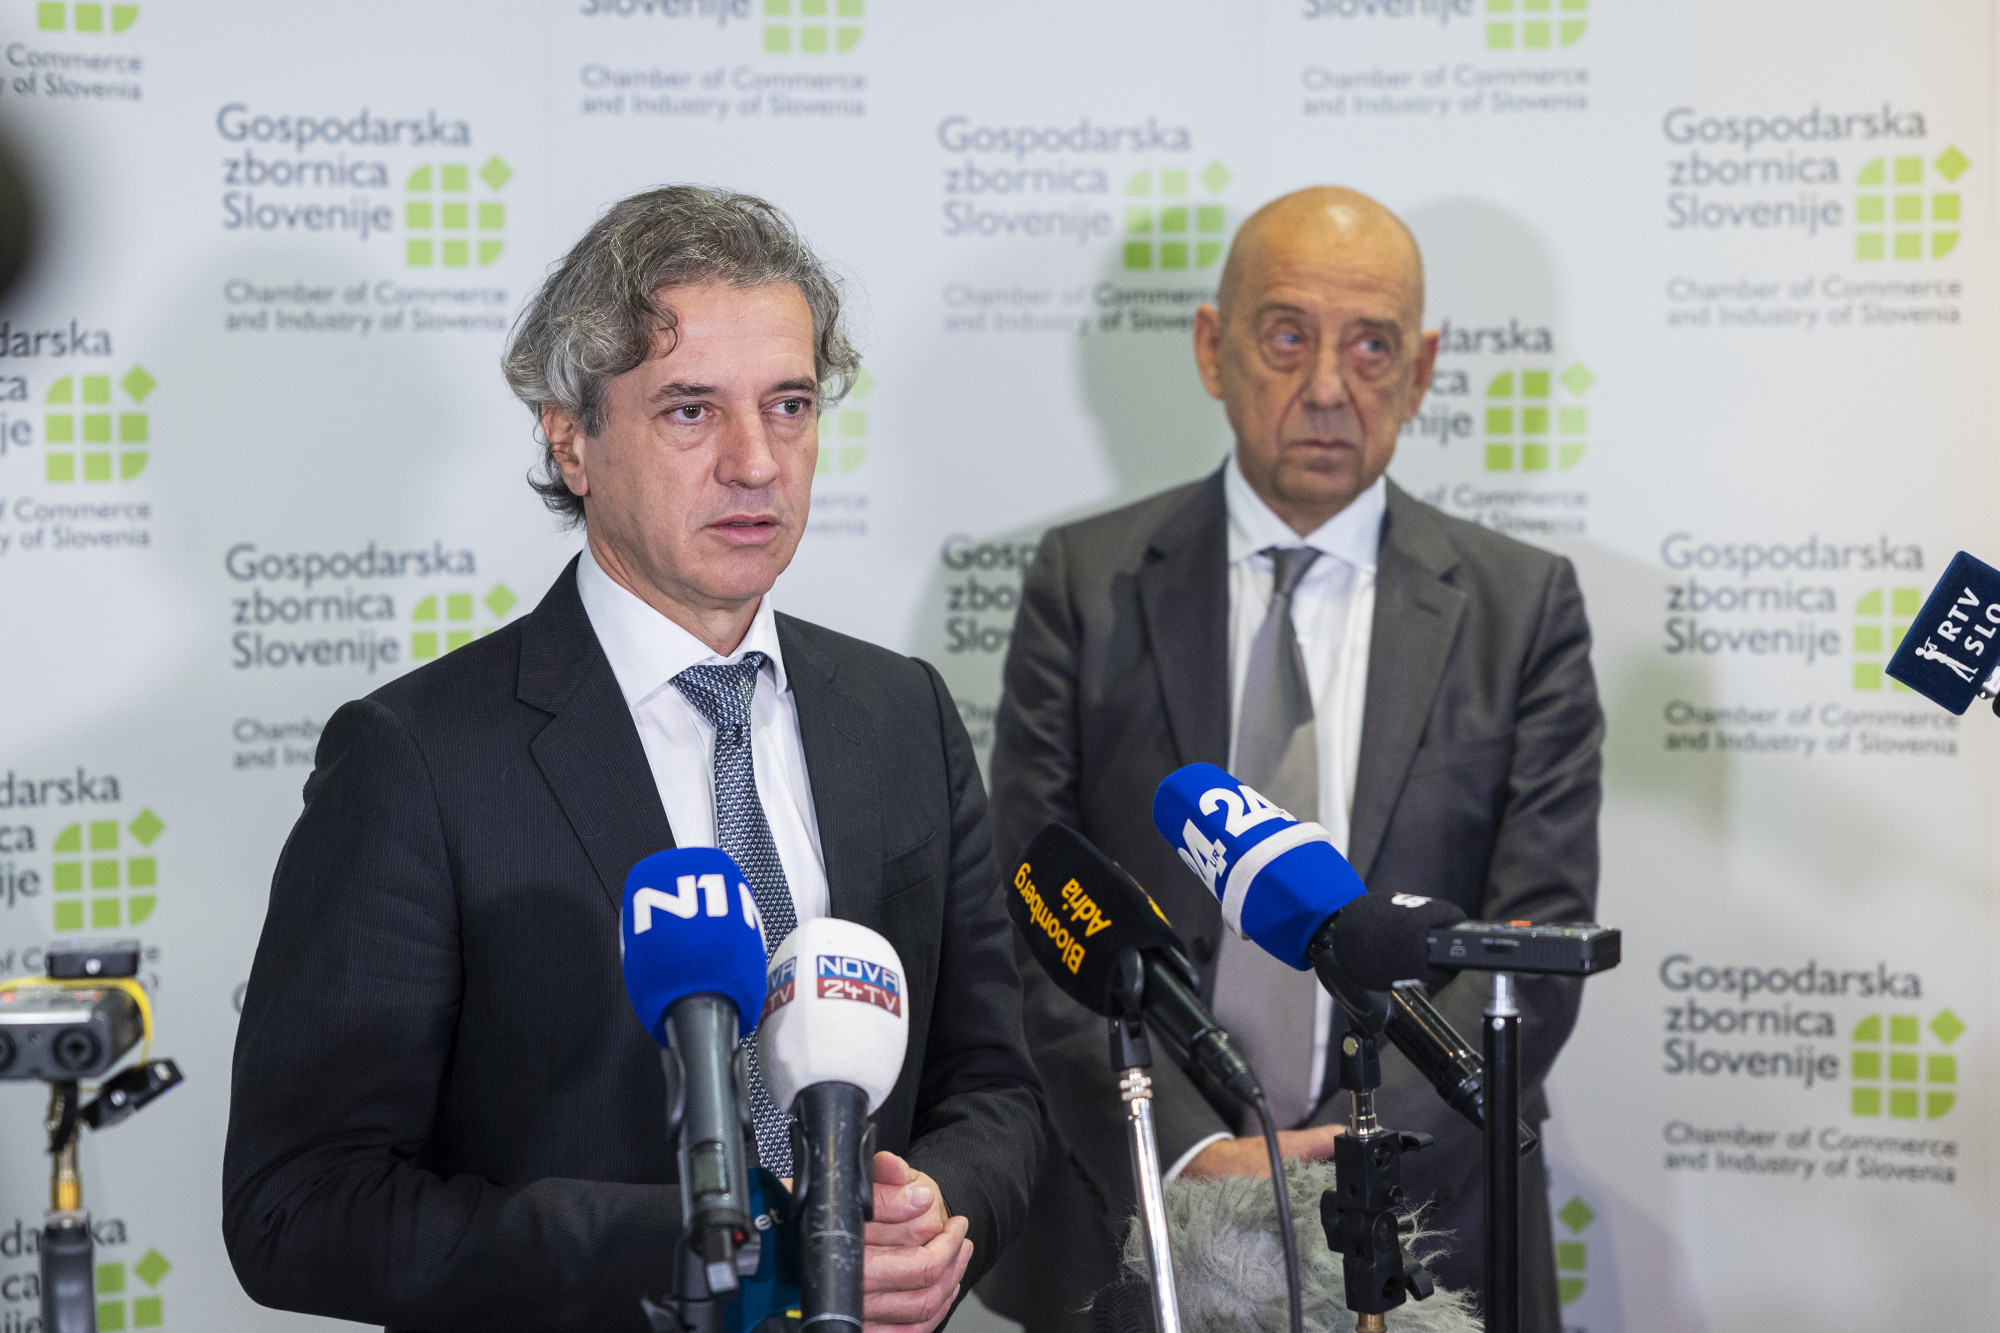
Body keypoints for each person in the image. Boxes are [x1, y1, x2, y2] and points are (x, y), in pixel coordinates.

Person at [223, 185, 1044, 1333]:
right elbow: (299, 1206)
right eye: (690, 410)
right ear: (571, 439)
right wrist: (717, 1245)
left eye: (790, 404)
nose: (756, 462)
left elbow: (995, 1086)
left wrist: (937, 1213)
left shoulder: (900, 710)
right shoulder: (415, 761)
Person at [978, 186, 1602, 1331]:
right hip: (1142, 1221)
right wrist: (1191, 1153)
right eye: (1283, 337)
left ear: (1419, 371)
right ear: (1211, 350)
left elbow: (1530, 946)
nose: (1324, 386)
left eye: (1369, 346)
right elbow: (1031, 915)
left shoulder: (1520, 610)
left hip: (1428, 1237)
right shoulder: (1083, 582)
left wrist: (1344, 1157)